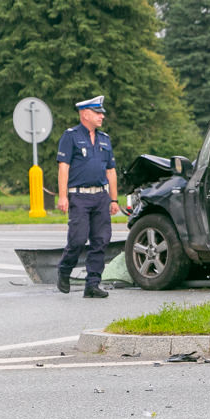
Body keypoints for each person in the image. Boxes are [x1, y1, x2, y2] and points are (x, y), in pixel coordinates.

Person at [56, 96, 121, 298]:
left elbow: (111, 171)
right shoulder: (71, 136)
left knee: (101, 240)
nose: (102, 116)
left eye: (102, 113)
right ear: (85, 114)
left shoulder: (105, 139)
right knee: (77, 239)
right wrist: (63, 196)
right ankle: (64, 270)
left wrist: (114, 199)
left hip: (100, 196)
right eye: (97, 113)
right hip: (79, 197)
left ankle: (92, 284)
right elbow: (63, 168)